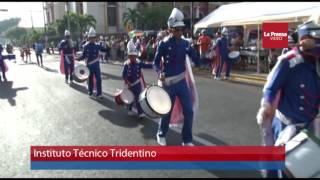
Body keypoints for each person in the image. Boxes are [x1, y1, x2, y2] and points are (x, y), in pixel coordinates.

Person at [256, 15, 320, 178]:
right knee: (285, 170)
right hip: (287, 125)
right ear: (304, 39)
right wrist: (267, 105)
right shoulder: (290, 60)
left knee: (308, 169)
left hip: (310, 125)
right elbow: (271, 87)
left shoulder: (316, 62)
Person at [153, 8, 200, 146]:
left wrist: (197, 51)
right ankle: (161, 133)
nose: (180, 32)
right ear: (170, 29)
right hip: (168, 84)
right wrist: (159, 72)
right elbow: (155, 62)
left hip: (181, 83)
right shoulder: (164, 44)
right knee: (166, 111)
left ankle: (187, 139)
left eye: (181, 29)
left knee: (189, 111)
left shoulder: (186, 43)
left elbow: (197, 60)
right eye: (177, 29)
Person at [122, 43, 153, 119]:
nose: (133, 58)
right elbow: (124, 75)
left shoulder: (139, 63)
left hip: (137, 84)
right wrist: (127, 82)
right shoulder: (126, 64)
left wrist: (154, 64)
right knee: (130, 98)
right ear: (129, 56)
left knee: (138, 98)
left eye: (134, 56)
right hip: (129, 84)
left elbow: (146, 65)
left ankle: (140, 113)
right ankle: (130, 109)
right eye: (131, 56)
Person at [76, 27, 107, 99]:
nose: (92, 39)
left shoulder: (97, 45)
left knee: (99, 79)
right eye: (91, 38)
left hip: (96, 66)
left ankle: (99, 94)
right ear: (89, 38)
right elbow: (83, 55)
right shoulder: (86, 46)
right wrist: (78, 58)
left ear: (95, 38)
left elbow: (104, 50)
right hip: (89, 66)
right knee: (90, 80)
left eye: (93, 37)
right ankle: (90, 92)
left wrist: (108, 48)